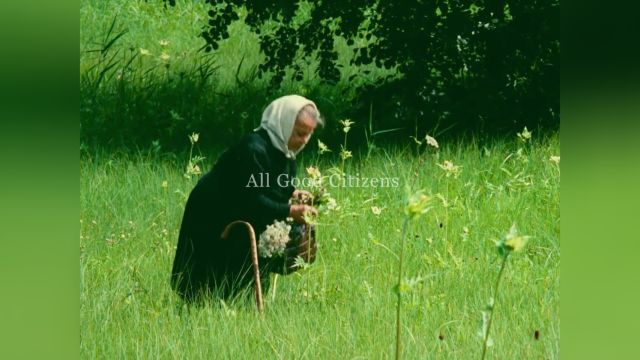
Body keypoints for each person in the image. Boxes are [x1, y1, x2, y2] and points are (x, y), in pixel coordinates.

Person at [171, 95, 322, 302]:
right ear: (284, 123)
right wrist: (290, 211)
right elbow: (251, 200)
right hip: (214, 211)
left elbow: (272, 183)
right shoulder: (253, 149)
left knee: (244, 277)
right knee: (207, 278)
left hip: (242, 209)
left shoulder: (285, 152)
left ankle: (241, 305)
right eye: (299, 133)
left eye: (308, 134)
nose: (304, 141)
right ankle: (205, 312)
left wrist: (293, 193)